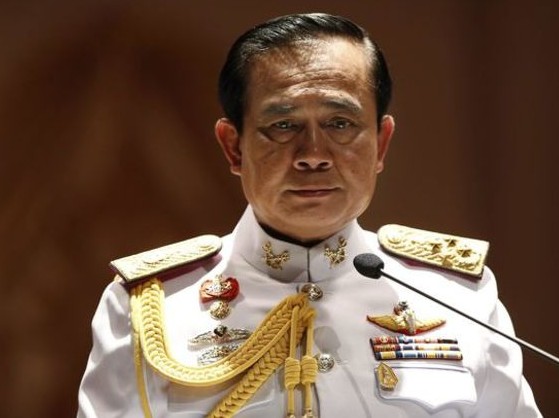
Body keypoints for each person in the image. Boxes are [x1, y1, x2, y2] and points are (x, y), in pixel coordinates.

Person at [77, 13, 542, 417]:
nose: (313, 154)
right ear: (233, 146)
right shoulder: (151, 306)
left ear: (381, 144)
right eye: (283, 125)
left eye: (340, 123)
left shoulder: (457, 297)